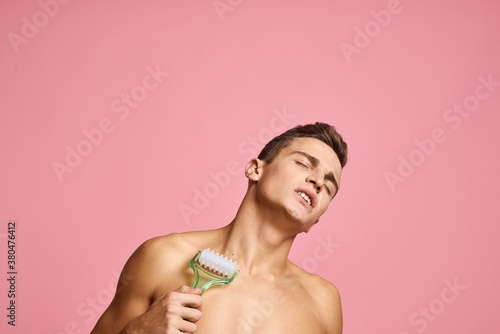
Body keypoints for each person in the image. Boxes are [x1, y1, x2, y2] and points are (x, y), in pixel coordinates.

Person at [91, 122, 348, 334]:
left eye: (327, 187)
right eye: (303, 164)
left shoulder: (322, 302)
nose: (316, 181)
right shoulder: (163, 257)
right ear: (255, 169)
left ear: (316, 221)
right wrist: (137, 332)